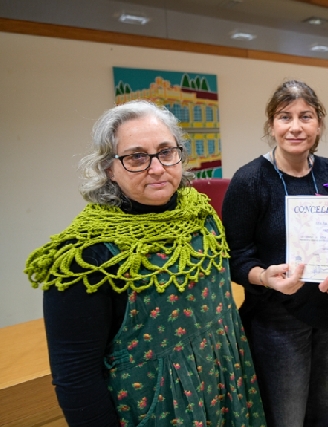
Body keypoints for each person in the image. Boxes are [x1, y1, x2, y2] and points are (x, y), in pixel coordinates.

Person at [24, 100, 266, 427]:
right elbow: (76, 378)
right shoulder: (85, 256)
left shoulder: (201, 214)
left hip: (227, 390)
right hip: (157, 410)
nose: (156, 168)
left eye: (166, 151)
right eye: (137, 157)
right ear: (109, 167)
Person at [222, 79, 328, 427]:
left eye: (305, 116)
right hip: (276, 318)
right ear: (272, 125)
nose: (295, 126)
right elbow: (235, 258)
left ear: (319, 124)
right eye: (285, 117)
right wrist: (264, 277)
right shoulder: (250, 180)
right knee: (287, 418)